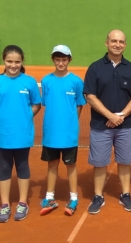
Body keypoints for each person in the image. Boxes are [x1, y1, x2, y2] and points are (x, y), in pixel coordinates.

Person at [84, 29, 131, 214]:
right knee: (100, 162)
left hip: (125, 126)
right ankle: (98, 196)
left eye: (121, 42)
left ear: (125, 45)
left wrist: (121, 116)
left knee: (125, 161)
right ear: (106, 43)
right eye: (114, 41)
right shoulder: (95, 68)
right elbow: (90, 96)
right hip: (100, 126)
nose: (117, 44)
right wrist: (110, 116)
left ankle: (125, 194)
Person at [39, 45, 86, 216]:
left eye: (64, 59)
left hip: (68, 134)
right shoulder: (46, 81)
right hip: (50, 133)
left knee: (71, 165)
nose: (61, 63)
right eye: (57, 59)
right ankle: (49, 197)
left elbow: (80, 105)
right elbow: (47, 104)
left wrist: (71, 123)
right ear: (53, 60)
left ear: (69, 60)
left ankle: (73, 197)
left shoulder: (76, 81)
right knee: (52, 164)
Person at [0, 45, 41, 222]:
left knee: (23, 166)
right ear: (4, 61)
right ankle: (5, 205)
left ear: (22, 61)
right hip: (3, 134)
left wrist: (25, 117)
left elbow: (36, 104)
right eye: (10, 61)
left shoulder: (30, 82)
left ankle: (23, 202)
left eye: (17, 62)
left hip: (23, 135)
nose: (13, 65)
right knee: (3, 169)